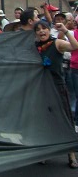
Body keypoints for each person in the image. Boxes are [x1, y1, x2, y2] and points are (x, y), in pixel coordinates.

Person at [34, 19, 78, 168]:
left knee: (65, 119)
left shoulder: (57, 43)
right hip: (42, 88)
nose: (41, 31)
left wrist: (65, 31)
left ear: (49, 30)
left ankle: (71, 154)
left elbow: (75, 46)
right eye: (38, 29)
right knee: (45, 121)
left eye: (44, 28)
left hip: (58, 87)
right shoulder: (34, 47)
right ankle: (46, 153)